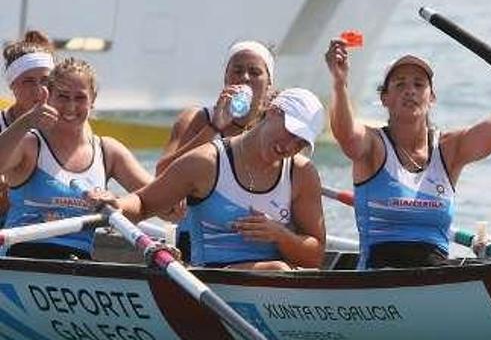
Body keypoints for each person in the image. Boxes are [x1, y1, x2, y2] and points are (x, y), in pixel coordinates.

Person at [325, 38, 491, 269]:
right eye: (400, 84)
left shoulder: (450, 149)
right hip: (378, 272)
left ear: (432, 98)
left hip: (434, 270)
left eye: (419, 85)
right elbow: (345, 134)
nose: (410, 91)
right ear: (384, 99)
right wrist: (339, 83)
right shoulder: (372, 145)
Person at [94, 88, 327, 271]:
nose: (289, 146)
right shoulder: (206, 162)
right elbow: (144, 204)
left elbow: (315, 258)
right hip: (208, 279)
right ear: (274, 111)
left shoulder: (302, 174)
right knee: (277, 270)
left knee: (278, 270)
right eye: (290, 132)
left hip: (276, 281)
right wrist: (117, 205)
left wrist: (279, 234)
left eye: (300, 143)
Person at [0, 57, 153, 260]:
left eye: (80, 98)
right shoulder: (30, 144)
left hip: (78, 264)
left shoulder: (109, 151)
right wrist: (26, 121)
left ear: (93, 99)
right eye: (63, 97)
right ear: (49, 97)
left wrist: (118, 203)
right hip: (22, 257)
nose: (71, 107)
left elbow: (162, 205)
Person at [155, 40, 277, 260]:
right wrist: (213, 129)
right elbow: (161, 177)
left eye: (255, 72)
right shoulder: (196, 119)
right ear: (226, 78)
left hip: (257, 247)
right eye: (237, 71)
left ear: (269, 83)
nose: (245, 78)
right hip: (198, 245)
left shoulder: (276, 128)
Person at [1, 30, 57, 226]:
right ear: (12, 85)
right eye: (28, 81)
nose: (39, 89)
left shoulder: (67, 125)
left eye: (45, 81)